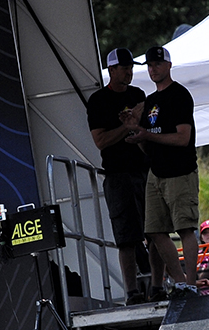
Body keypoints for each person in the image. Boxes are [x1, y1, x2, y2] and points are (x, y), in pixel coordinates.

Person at [125, 45, 200, 299]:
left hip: (181, 171)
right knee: (154, 230)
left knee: (185, 228)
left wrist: (146, 135)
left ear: (169, 65)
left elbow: (183, 138)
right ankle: (180, 282)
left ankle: (191, 282)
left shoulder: (179, 95)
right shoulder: (151, 102)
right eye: (149, 64)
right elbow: (148, 146)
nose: (153, 68)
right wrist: (137, 132)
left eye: (157, 63)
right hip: (156, 173)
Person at [86, 48, 155, 306]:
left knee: (155, 230)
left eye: (131, 67)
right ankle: (132, 291)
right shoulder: (98, 101)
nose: (129, 71)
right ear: (111, 70)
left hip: (144, 171)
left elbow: (147, 128)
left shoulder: (138, 95)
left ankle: (159, 284)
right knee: (126, 236)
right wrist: (124, 127)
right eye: (124, 67)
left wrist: (137, 124)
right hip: (117, 175)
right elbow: (100, 141)